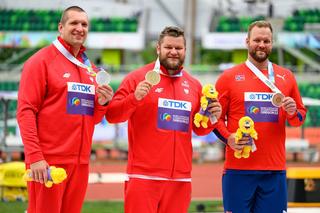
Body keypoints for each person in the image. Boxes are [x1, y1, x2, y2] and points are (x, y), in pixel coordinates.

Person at [105, 26, 222, 213]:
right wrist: (134, 98)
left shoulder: (193, 85)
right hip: (144, 177)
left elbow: (198, 129)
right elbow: (112, 115)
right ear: (158, 48)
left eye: (179, 48)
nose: (174, 52)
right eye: (168, 47)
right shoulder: (137, 78)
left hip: (180, 180)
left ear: (185, 50)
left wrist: (212, 117)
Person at [17, 6, 113, 213]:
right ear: (61, 27)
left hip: (80, 163)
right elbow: (25, 112)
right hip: (48, 162)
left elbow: (92, 118)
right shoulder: (40, 61)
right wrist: (35, 158)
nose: (80, 28)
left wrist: (102, 104)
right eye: (74, 23)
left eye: (84, 24)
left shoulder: (90, 70)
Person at [214, 20, 307, 213]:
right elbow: (214, 119)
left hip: (274, 171)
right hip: (238, 170)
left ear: (272, 43)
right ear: (247, 41)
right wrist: (229, 139)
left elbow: (298, 118)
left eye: (266, 40)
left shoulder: (286, 76)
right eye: (257, 40)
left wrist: (292, 111)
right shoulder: (228, 77)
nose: (262, 45)